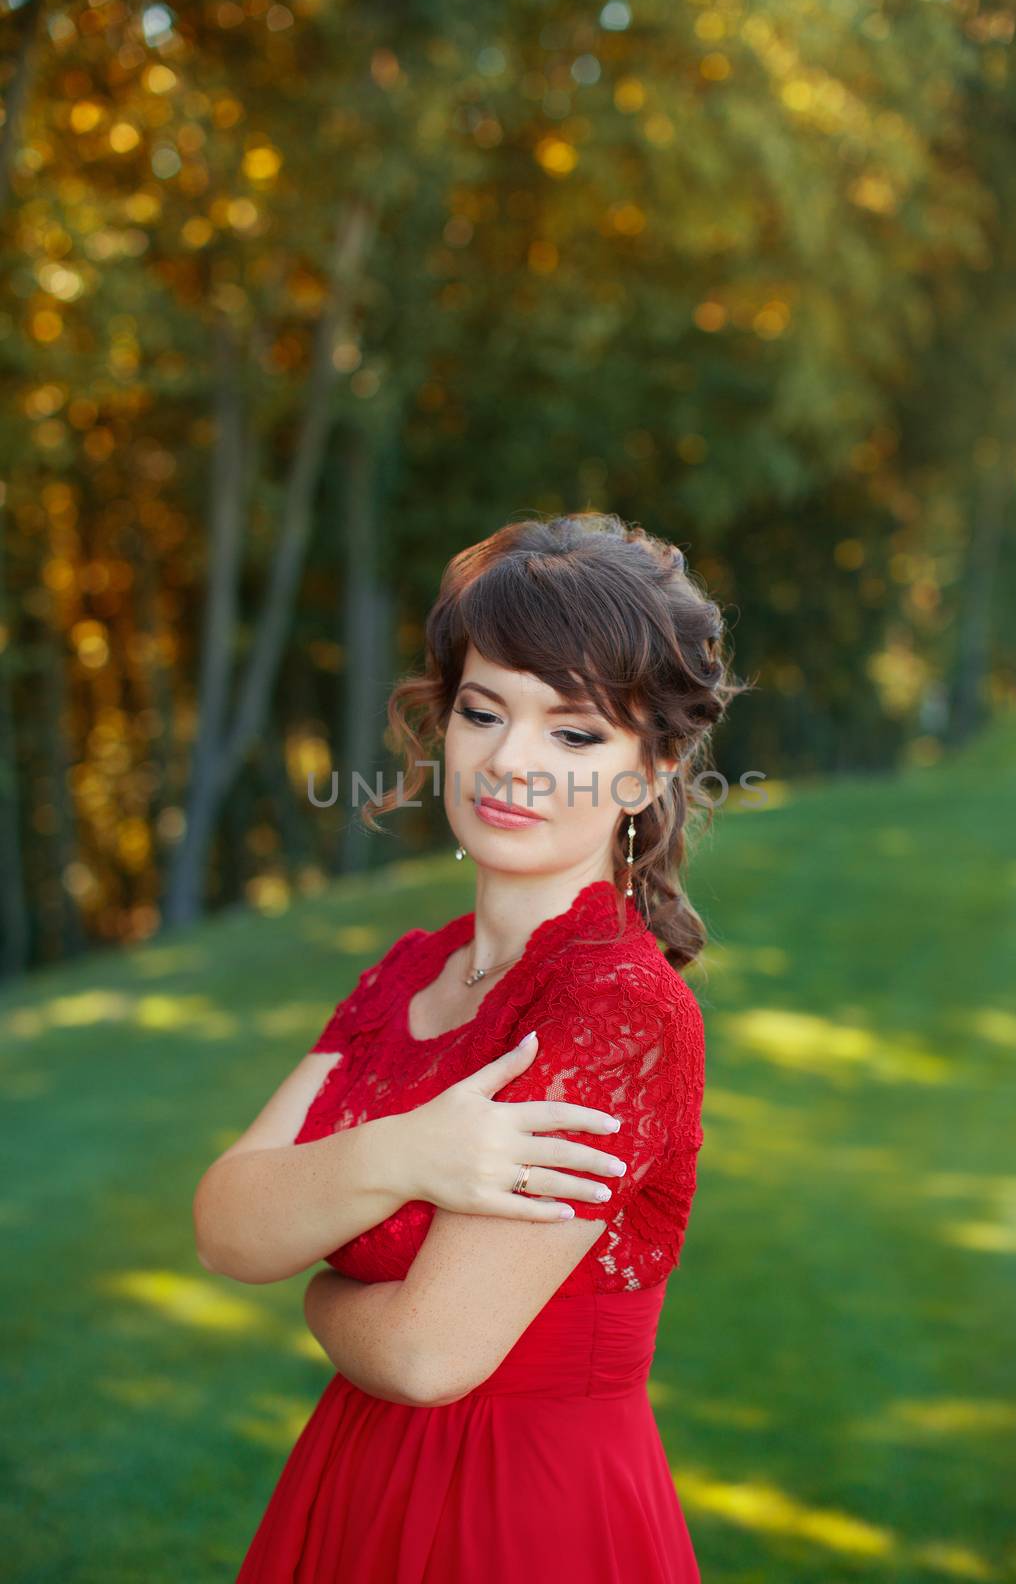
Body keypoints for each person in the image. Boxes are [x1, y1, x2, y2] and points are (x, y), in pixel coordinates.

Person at [199, 512, 745, 1581]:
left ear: (649, 769)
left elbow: (424, 1352)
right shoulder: (411, 967)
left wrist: (317, 1291)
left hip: (524, 1518)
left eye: (573, 731)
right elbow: (226, 1227)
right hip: (348, 1484)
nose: (509, 760)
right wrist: (404, 1153)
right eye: (482, 710)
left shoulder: (618, 1007)